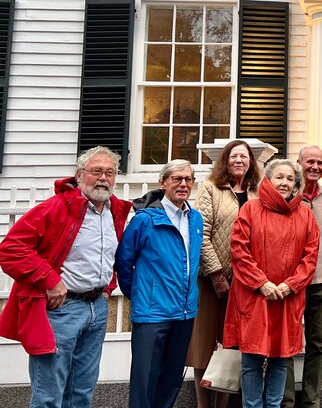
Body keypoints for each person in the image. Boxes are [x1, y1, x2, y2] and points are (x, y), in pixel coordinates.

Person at [0, 146, 132, 408]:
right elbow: (11, 249)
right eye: (96, 171)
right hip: (62, 310)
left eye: (110, 172)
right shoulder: (55, 208)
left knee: (82, 391)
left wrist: (107, 287)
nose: (103, 178)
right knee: (49, 393)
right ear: (79, 174)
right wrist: (50, 281)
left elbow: (109, 255)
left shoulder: (114, 211)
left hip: (96, 309)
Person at [223, 159, 320, 408]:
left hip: (288, 298)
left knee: (280, 358)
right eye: (279, 177)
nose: (285, 183)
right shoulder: (250, 209)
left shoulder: (306, 215)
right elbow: (239, 250)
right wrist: (262, 283)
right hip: (254, 296)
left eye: (290, 179)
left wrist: (290, 285)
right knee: (252, 359)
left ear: (296, 184)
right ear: (268, 179)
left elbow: (310, 257)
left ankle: (274, 405)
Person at [116, 159, 203, 408]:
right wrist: (142, 294)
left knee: (172, 378)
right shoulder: (145, 220)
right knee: (145, 381)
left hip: (185, 313)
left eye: (188, 179)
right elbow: (124, 261)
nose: (183, 184)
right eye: (177, 178)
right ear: (163, 183)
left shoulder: (195, 219)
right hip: (152, 314)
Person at [188, 139, 261, 408]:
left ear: (252, 162)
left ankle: (223, 404)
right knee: (204, 344)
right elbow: (201, 234)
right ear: (225, 161)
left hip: (245, 282)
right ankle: (203, 404)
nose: (239, 161)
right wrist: (216, 274)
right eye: (234, 156)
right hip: (211, 280)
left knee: (231, 344)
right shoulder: (210, 189)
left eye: (244, 156)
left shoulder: (258, 192)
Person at [283, 145, 322, 408]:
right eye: (310, 162)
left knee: (317, 344)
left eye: (320, 163)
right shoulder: (288, 197)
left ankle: (311, 401)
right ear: (298, 163)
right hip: (292, 283)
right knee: (288, 345)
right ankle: (287, 401)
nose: (315, 167)